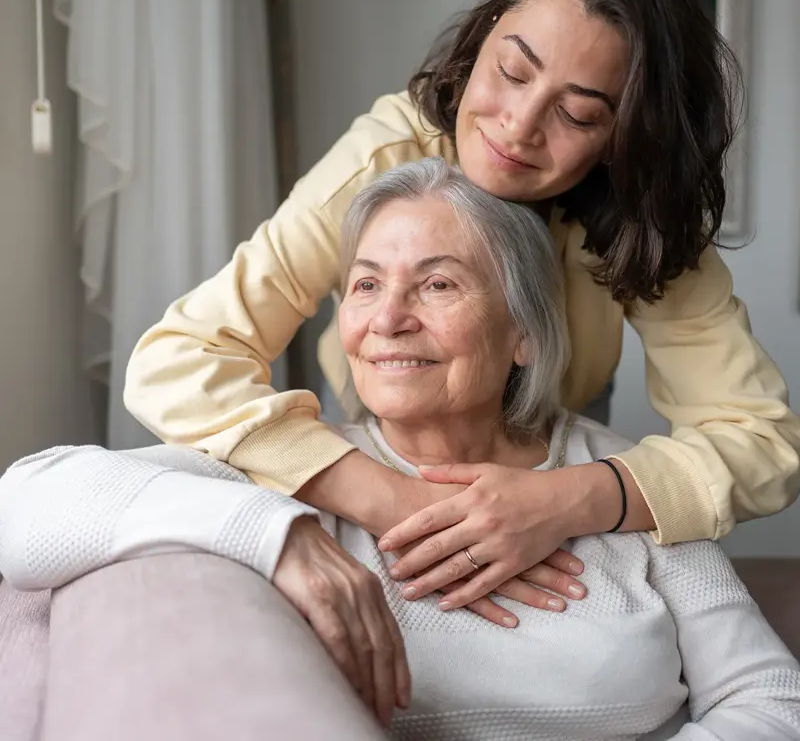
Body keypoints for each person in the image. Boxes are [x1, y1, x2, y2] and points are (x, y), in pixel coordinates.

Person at [2, 161, 799, 740]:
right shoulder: (296, 472)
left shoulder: (620, 479)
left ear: (523, 332)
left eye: (440, 284)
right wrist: (281, 540)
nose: (388, 319)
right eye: (365, 284)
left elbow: (771, 697)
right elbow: (23, 503)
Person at [123, 0, 800, 612]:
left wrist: (567, 499)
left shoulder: (644, 217)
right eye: (511, 70)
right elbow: (177, 361)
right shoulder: (383, 158)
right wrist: (389, 497)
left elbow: (764, 443)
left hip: (555, 447)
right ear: (480, 45)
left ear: (627, 137)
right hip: (372, 434)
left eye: (579, 113)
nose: (519, 125)